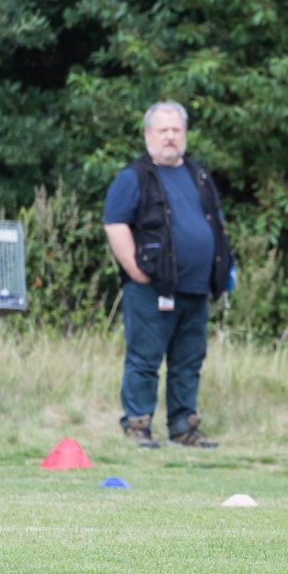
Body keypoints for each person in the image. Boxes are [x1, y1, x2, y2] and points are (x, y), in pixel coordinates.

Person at [103, 101, 233, 449]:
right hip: (151, 288)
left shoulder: (198, 174)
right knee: (145, 359)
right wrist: (135, 270)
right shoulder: (133, 177)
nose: (171, 137)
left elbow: (215, 224)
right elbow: (114, 224)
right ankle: (137, 426)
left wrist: (224, 268)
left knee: (188, 362)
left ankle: (183, 427)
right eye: (163, 130)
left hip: (196, 288)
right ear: (148, 134)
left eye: (176, 130)